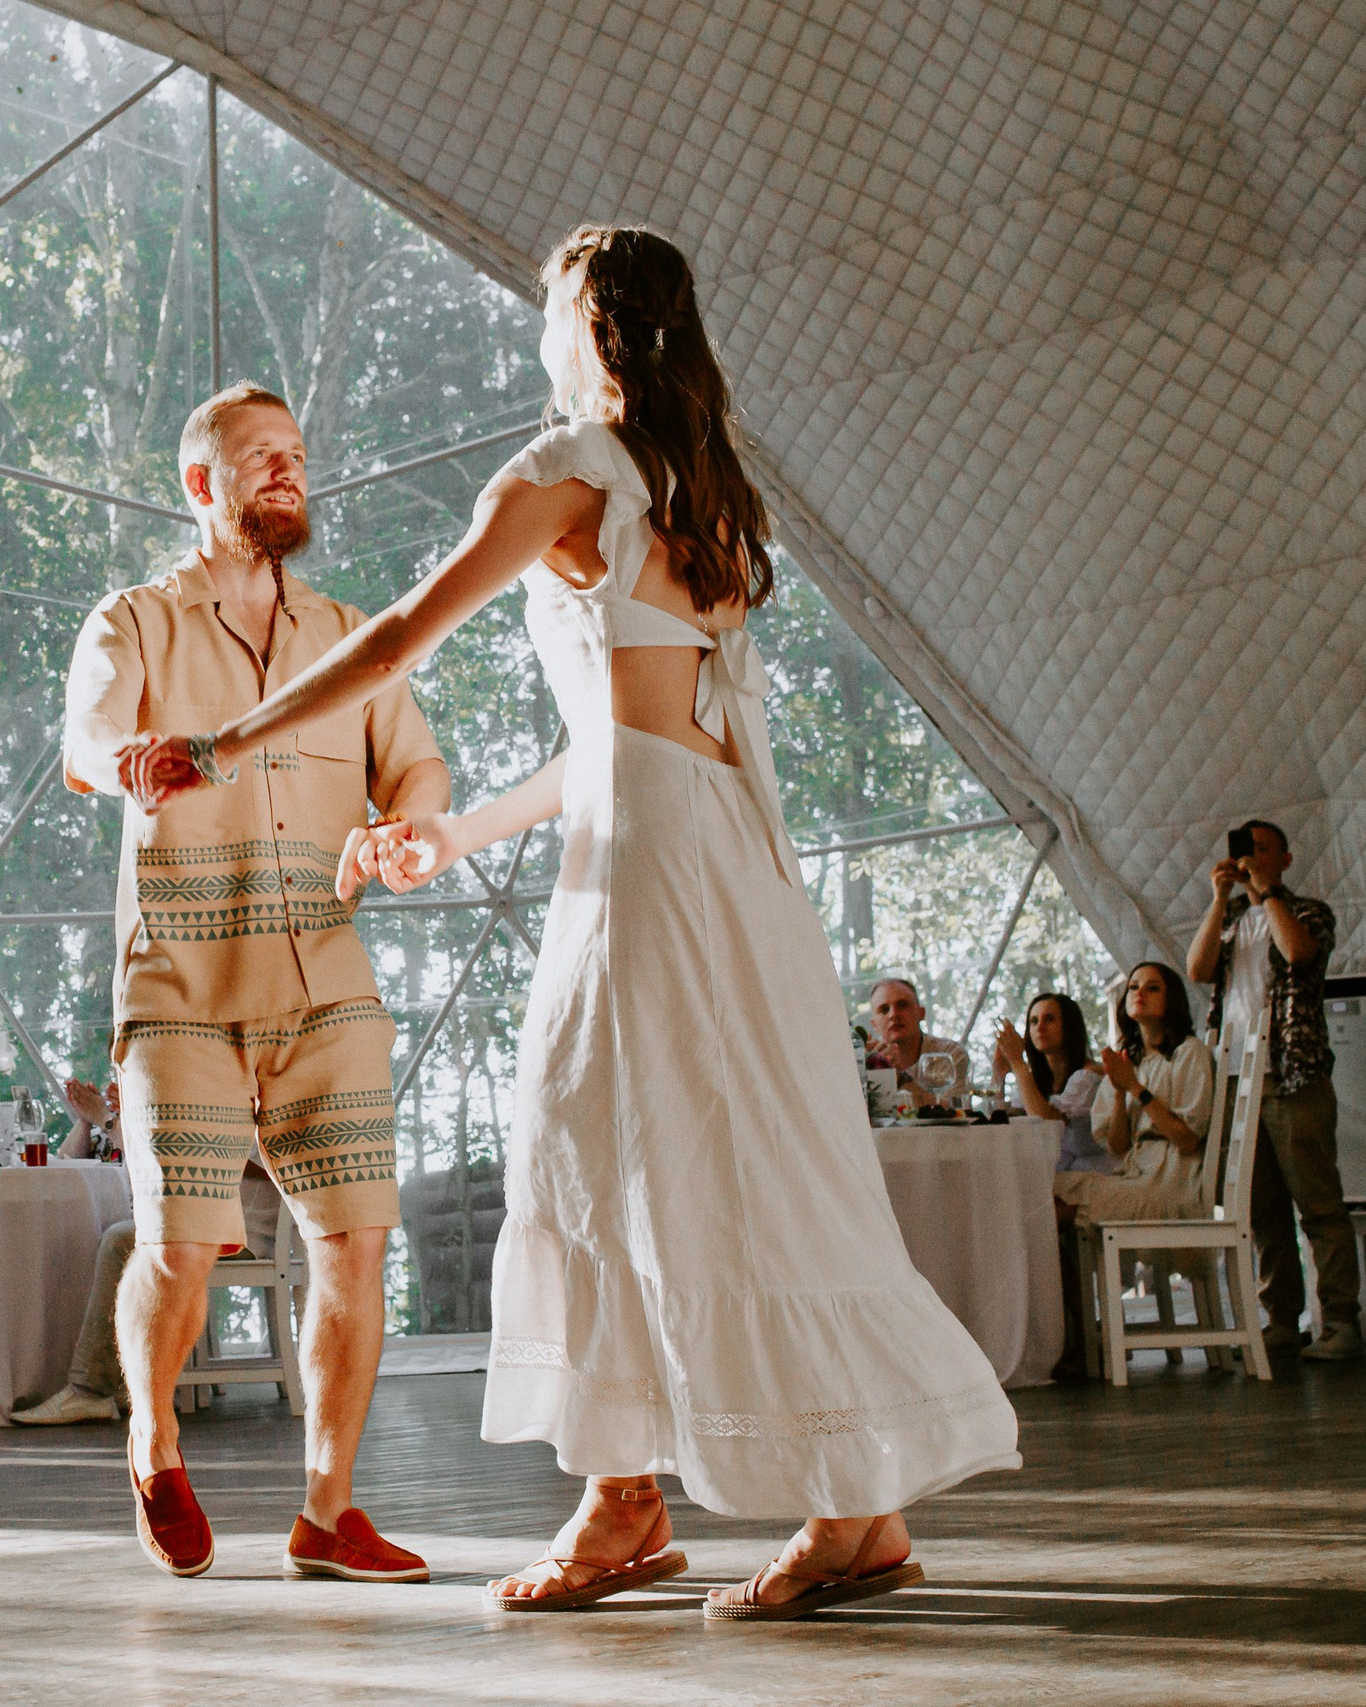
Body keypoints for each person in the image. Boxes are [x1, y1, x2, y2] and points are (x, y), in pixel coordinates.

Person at [126, 226, 1016, 1619]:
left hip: (652, 871)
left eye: (551, 307)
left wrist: (226, 740)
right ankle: (636, 1495)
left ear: (588, 328)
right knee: (689, 1151)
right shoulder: (702, 490)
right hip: (720, 856)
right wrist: (453, 830)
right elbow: (641, 736)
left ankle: (835, 1507)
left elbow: (405, 632)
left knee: (609, 1150)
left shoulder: (567, 472)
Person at [64, 379, 453, 1583]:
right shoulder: (133, 622)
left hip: (326, 982)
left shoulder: (354, 636)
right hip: (179, 982)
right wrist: (124, 759)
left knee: (353, 1242)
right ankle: (152, 1434)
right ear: (201, 486)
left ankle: (328, 1513)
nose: (286, 471)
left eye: (294, 454)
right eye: (258, 458)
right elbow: (86, 738)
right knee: (181, 1248)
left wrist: (413, 832)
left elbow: (420, 777)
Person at [1186, 820, 1355, 1360]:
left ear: (1284, 857)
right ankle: (1283, 1320)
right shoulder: (1232, 919)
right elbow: (1197, 969)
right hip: (1237, 1079)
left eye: (1261, 851)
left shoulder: (1307, 912)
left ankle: (1342, 1324)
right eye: (1244, 852)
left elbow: (1298, 953)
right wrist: (1220, 899)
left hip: (1293, 1074)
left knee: (1319, 1206)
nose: (1250, 859)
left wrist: (1269, 892)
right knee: (1263, 1212)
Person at [16, 1082, 279, 1428]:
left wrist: (117, 1120)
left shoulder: (239, 1094)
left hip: (236, 1232)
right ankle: (123, 1381)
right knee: (103, 1235)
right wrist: (101, 1119)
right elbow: (73, 1161)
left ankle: (89, 1390)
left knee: (119, 1241)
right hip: (199, 1225)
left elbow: (188, 1159)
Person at [1050, 964, 1215, 1376]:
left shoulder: (1190, 1053)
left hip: (1173, 1183)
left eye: (1152, 987)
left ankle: (1079, 1338)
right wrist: (1121, 1092)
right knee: (1046, 1190)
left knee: (1055, 1205)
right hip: (1136, 1174)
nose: (1139, 993)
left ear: (1171, 999)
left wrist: (1137, 1089)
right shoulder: (1129, 1060)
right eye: (1134, 987)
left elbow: (1189, 1139)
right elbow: (1119, 1146)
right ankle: (1078, 1332)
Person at [993, 993, 1107, 1173]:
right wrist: (998, 1075)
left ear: (1070, 1026)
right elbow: (1000, 1124)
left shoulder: (1090, 1076)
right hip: (1053, 1177)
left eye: (1050, 1019)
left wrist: (1017, 1062)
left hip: (1093, 1174)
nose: (1040, 1027)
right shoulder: (1035, 1080)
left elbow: (1045, 1123)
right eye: (1034, 1021)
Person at [865, 978, 970, 1109]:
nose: (893, 1014)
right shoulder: (866, 1065)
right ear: (874, 1024)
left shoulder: (949, 1053)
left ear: (921, 1013)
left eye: (902, 1005)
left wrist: (901, 1077)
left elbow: (954, 1111)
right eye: (884, 1009)